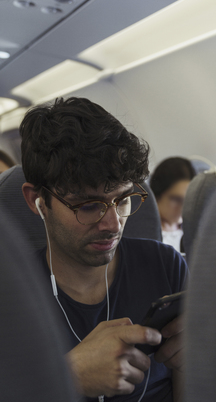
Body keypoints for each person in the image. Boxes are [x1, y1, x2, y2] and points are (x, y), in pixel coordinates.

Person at [20, 97, 188, 402]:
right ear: (37, 201)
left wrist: (198, 363)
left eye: (122, 199)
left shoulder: (166, 267)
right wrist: (65, 377)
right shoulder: (11, 296)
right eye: (89, 205)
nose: (113, 224)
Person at [149, 157, 196, 252]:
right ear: (157, 195)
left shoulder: (194, 234)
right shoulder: (144, 234)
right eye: (177, 199)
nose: (183, 207)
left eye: (188, 200)